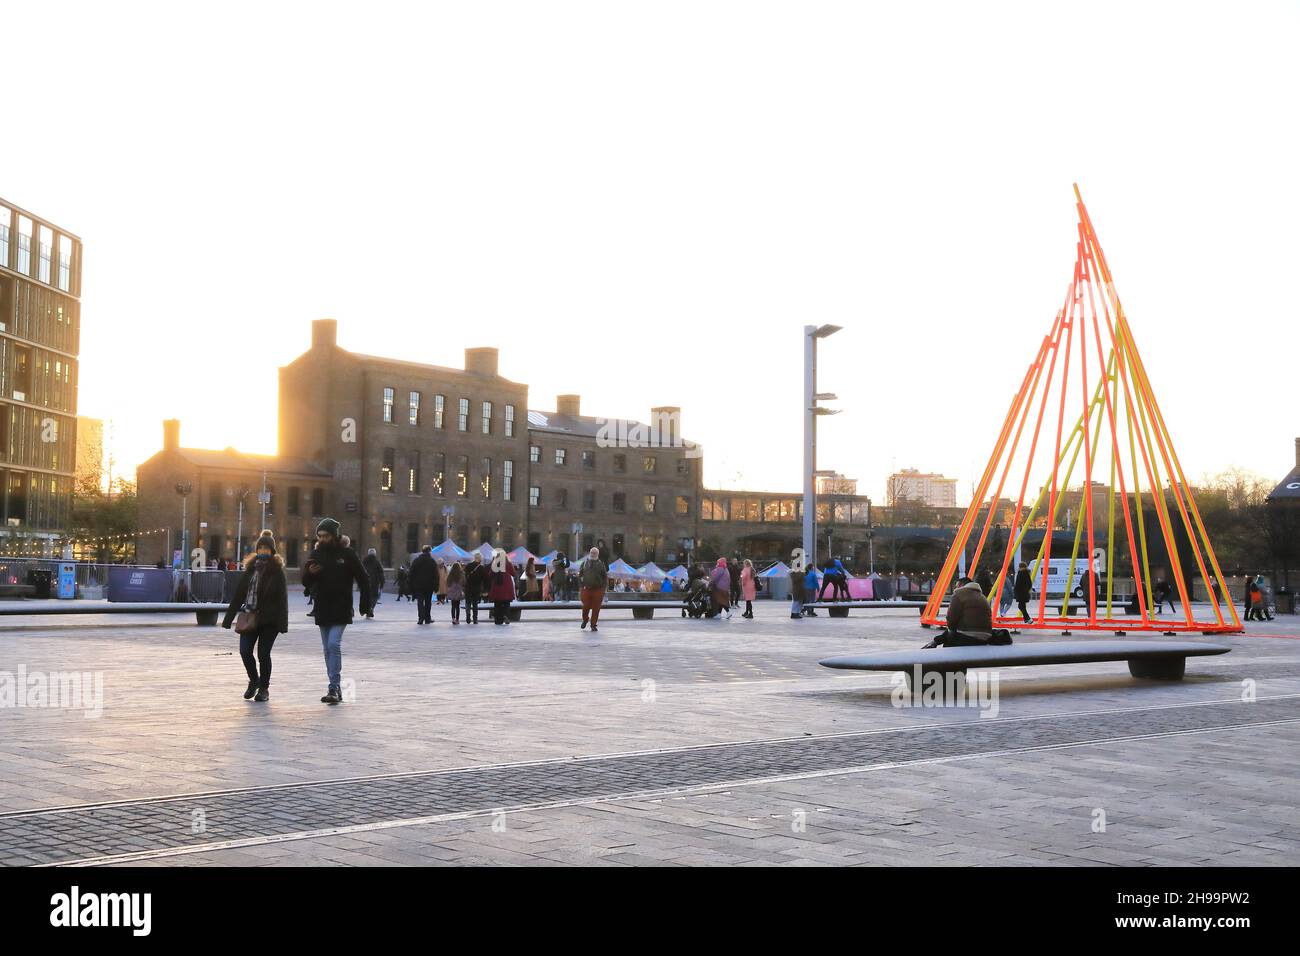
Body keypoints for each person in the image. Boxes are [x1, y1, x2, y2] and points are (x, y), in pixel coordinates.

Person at [301, 518, 372, 705]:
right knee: (326, 648)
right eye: (320, 536)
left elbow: (364, 578)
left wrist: (366, 605)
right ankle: (334, 686)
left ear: (334, 535)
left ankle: (334, 686)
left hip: (341, 607)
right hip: (322, 607)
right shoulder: (316, 554)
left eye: (326, 535)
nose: (323, 539)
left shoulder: (347, 554)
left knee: (333, 644)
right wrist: (310, 574)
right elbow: (305, 581)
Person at [221, 530, 288, 702]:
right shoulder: (250, 570)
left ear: (272, 551)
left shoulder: (277, 572)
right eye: (261, 548)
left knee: (263, 654)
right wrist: (228, 619)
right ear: (257, 550)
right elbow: (239, 595)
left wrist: (283, 623)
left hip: (269, 620)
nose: (263, 551)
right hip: (249, 616)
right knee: (245, 651)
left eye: (267, 548)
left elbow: (283, 599)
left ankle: (264, 689)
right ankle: (254, 680)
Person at [924, 577, 998, 647]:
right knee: (949, 633)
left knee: (949, 638)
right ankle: (936, 641)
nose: (955, 588)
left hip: (967, 636)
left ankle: (935, 645)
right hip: (986, 636)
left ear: (960, 585)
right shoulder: (982, 597)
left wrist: (950, 632)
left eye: (956, 586)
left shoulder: (959, 594)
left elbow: (951, 620)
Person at [579, 547, 608, 631]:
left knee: (596, 608)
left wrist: (603, 588)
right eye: (592, 552)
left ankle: (593, 625)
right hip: (586, 588)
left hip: (598, 589)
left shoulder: (601, 564)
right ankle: (585, 619)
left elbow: (604, 577)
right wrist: (581, 585)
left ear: (597, 554)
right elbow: (580, 574)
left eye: (595, 553)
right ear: (589, 553)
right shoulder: (584, 563)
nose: (593, 554)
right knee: (585, 606)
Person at [409, 545, 438, 625]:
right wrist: (436, 586)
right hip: (429, 586)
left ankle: (421, 618)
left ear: (422, 551)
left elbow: (411, 574)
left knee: (420, 602)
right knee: (428, 602)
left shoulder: (416, 561)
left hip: (418, 586)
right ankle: (427, 618)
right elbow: (436, 575)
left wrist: (411, 585)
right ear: (429, 551)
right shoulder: (432, 562)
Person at [488, 551, 516, 625]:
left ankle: (498, 620)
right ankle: (506, 615)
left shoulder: (494, 564)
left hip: (497, 585)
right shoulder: (508, 564)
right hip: (507, 585)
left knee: (497, 604)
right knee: (507, 603)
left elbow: (490, 575)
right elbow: (513, 573)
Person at [362, 548, 385, 616]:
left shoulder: (364, 561)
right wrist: (382, 583)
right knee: (374, 596)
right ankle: (371, 608)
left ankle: (368, 609)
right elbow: (381, 573)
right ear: (375, 554)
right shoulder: (377, 562)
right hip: (375, 583)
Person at [464, 554, 486, 624]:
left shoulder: (468, 565)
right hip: (476, 588)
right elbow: (484, 579)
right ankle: (475, 619)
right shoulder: (481, 568)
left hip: (468, 587)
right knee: (475, 604)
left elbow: (464, 575)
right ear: (480, 559)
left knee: (468, 603)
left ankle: (468, 617)